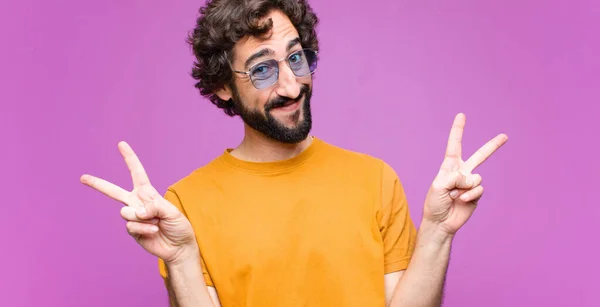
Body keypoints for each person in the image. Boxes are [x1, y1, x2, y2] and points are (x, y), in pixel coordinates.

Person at [80, 0, 508, 306]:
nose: (291, 86)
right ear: (222, 85)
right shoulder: (185, 206)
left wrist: (437, 231)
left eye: (296, 59)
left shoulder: (375, 179)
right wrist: (181, 257)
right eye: (263, 69)